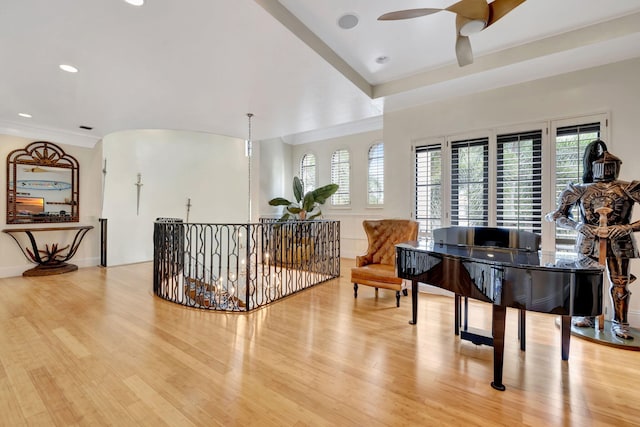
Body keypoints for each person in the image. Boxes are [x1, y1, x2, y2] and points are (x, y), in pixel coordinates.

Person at [547, 139, 640, 339]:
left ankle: (620, 322)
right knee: (587, 281)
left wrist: (627, 227)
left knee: (620, 282)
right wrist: (579, 226)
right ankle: (586, 315)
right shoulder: (580, 189)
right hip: (589, 241)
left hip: (620, 241)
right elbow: (558, 215)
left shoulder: (627, 188)